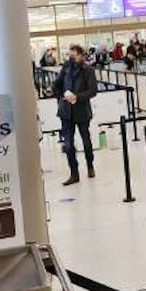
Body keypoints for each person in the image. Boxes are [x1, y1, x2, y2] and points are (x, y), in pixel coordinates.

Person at [52, 45, 98, 186]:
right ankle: (74, 173)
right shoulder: (66, 68)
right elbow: (57, 84)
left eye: (74, 56)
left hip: (81, 111)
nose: (71, 58)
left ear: (81, 55)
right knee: (68, 144)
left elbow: (93, 91)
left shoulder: (88, 70)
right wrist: (61, 94)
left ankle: (90, 165)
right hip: (66, 111)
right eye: (70, 56)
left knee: (86, 140)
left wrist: (77, 97)